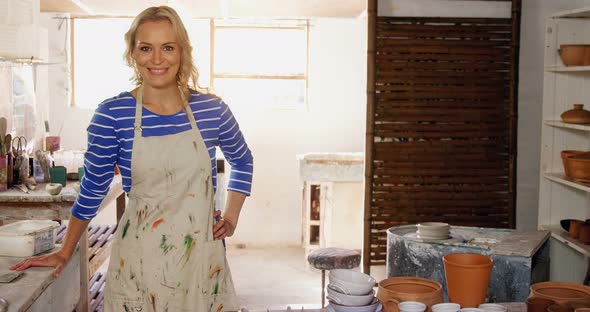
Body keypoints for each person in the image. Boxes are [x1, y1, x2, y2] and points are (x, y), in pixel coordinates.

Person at [10, 5, 253, 311]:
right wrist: (65, 249)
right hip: (139, 263)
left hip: (200, 263)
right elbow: (93, 188)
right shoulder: (112, 114)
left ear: (182, 52)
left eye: (167, 47)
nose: (157, 59)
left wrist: (231, 217)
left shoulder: (212, 111)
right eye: (146, 48)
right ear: (133, 54)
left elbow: (242, 160)